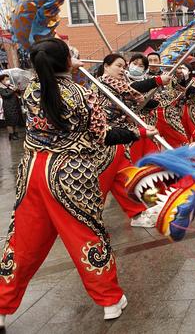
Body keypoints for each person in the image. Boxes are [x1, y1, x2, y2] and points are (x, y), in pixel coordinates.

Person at [0, 38, 159, 324]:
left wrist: (66, 65)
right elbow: (103, 135)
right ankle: (110, 300)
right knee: (85, 236)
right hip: (70, 175)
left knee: (22, 241)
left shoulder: (31, 91)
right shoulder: (83, 94)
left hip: (32, 172)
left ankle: (2, 304)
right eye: (72, 54)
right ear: (64, 62)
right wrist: (139, 133)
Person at [94, 53, 170, 227]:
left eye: (123, 66)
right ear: (106, 66)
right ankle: (80, 215)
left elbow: (135, 93)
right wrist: (157, 80)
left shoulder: (122, 85)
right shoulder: (102, 83)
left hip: (124, 137)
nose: (122, 69)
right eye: (118, 66)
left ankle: (139, 212)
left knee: (125, 177)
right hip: (106, 140)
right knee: (100, 183)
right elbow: (132, 89)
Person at [0, 74, 23, 140]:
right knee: (10, 121)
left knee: (15, 120)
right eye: (6, 79)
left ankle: (15, 133)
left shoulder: (11, 86)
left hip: (15, 105)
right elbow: (5, 95)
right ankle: (11, 134)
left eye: (8, 79)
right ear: (2, 81)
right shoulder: (1, 87)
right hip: (8, 106)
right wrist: (13, 90)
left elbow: (18, 93)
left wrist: (17, 89)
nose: (8, 81)